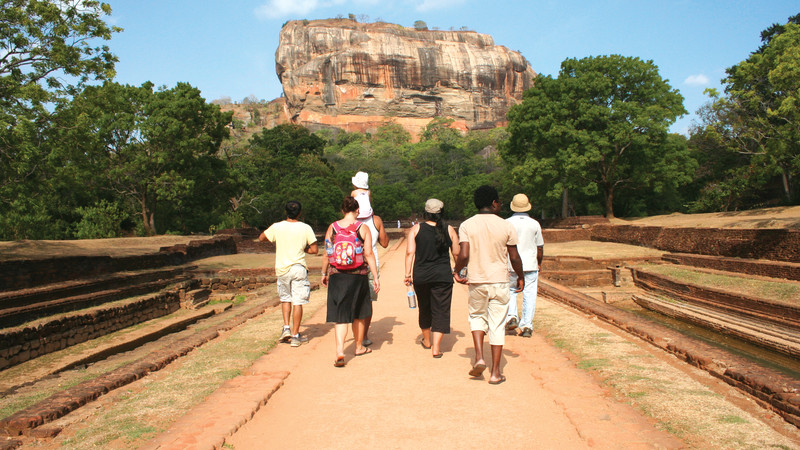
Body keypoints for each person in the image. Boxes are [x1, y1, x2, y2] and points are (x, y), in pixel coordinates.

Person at [453, 185, 524, 384]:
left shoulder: (467, 225)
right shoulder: (506, 225)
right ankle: (495, 372)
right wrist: (520, 276)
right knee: (497, 324)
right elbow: (514, 256)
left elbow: (464, 254)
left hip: (477, 280)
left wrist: (456, 271)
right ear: (494, 203)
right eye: (499, 201)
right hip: (499, 280)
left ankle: (479, 357)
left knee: (476, 316)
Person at [321, 196, 380, 367]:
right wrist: (375, 276)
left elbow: (327, 252)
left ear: (342, 210)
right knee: (359, 313)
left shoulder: (333, 227)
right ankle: (359, 346)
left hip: (337, 275)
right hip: (358, 274)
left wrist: (324, 273)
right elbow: (368, 254)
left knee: (340, 315)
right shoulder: (363, 228)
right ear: (357, 211)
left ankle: (340, 351)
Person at [404, 199, 460, 358]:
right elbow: (456, 253)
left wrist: (407, 275)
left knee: (425, 307)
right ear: (441, 212)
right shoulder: (449, 230)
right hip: (443, 275)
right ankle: (436, 347)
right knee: (441, 309)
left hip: (421, 276)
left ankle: (427, 341)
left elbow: (410, 253)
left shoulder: (416, 229)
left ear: (426, 212)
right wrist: (458, 270)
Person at [259, 200, 318, 347]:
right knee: (298, 301)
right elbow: (314, 250)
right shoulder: (305, 228)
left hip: (282, 269)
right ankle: (295, 335)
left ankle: (286, 327)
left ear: (286, 212)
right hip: (298, 267)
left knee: (286, 299)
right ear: (300, 213)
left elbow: (261, 237)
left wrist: (278, 241)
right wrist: (303, 249)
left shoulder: (277, 227)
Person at [505, 193, 544, 338]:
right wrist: (539, 263)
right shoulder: (534, 224)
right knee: (529, 294)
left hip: (511, 263)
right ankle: (527, 325)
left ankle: (512, 316)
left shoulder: (507, 223)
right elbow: (539, 247)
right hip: (530, 263)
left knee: (510, 290)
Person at [357, 213, 389, 346]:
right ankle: (363, 336)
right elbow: (385, 243)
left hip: (352, 263)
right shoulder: (376, 220)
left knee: (354, 300)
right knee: (368, 300)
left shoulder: (346, 221)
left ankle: (353, 337)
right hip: (371, 263)